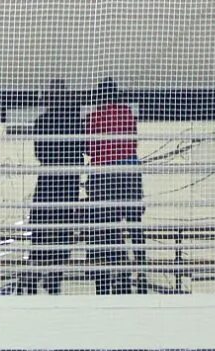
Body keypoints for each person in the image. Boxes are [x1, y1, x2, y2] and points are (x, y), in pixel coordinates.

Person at [16, 78, 85, 294]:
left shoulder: (42, 121)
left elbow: (40, 153)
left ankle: (34, 273)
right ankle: (54, 277)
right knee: (63, 229)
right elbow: (82, 148)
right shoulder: (75, 123)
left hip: (47, 179)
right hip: (68, 182)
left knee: (41, 228)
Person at [83, 80, 146, 295]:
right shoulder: (127, 113)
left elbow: (90, 148)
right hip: (129, 171)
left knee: (107, 225)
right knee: (134, 222)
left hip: (104, 174)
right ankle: (141, 266)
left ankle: (109, 270)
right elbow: (134, 141)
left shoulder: (93, 117)